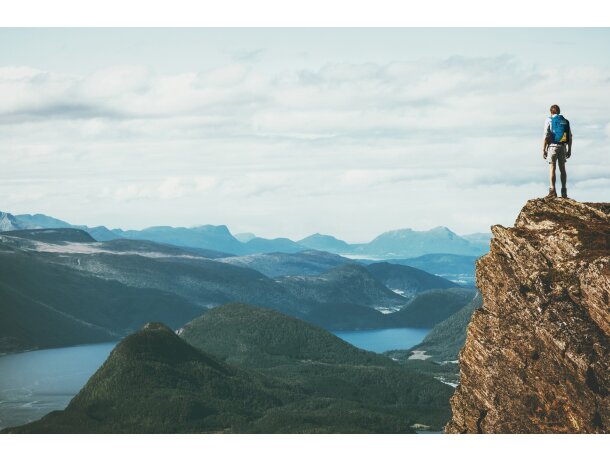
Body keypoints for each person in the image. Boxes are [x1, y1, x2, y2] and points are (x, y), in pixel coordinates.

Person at [542, 104, 572, 198]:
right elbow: (570, 137)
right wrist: (569, 149)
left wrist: (544, 149)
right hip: (563, 146)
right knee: (562, 169)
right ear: (559, 111)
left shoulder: (549, 120)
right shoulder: (565, 121)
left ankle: (552, 191)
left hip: (552, 146)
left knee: (552, 168)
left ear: (551, 112)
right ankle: (564, 191)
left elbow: (546, 136)